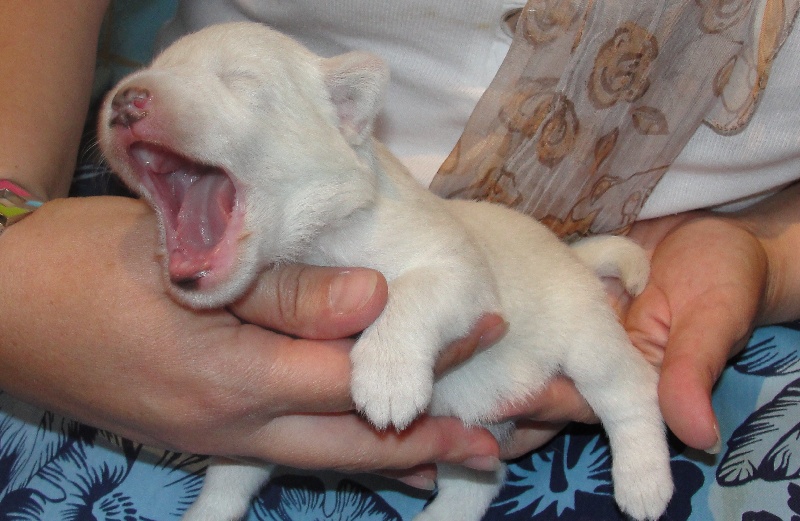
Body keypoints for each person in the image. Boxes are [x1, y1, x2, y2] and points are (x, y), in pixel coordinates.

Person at [0, 0, 798, 519]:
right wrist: (12, 233)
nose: (140, 96)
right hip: (85, 284)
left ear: (346, 114)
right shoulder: (242, 214)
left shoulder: (387, 217)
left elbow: (454, 281)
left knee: (594, 353)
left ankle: (621, 431)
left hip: (615, 301)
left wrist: (768, 249)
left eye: (239, 83)